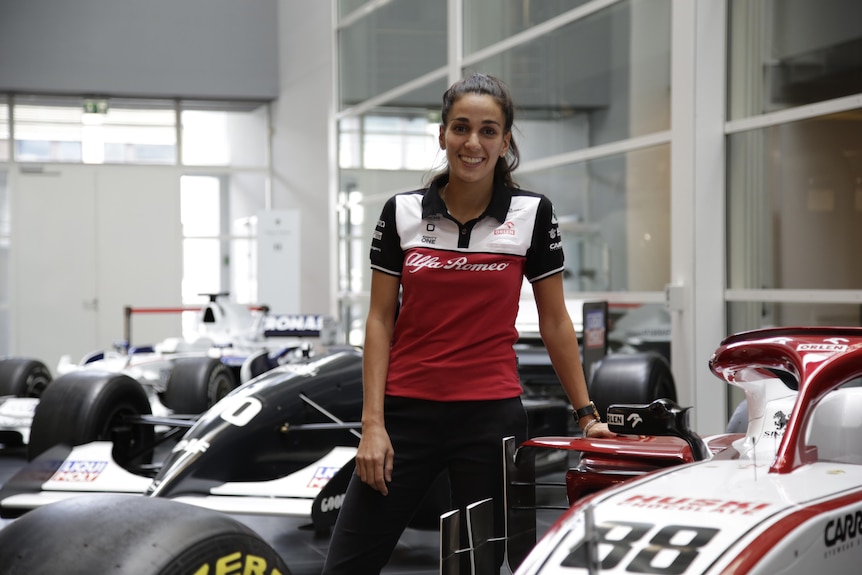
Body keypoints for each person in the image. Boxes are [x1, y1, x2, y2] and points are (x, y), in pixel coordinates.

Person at [321, 73, 612, 575]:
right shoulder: (403, 212)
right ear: (442, 135)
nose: (472, 143)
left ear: (504, 142)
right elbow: (378, 320)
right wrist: (373, 424)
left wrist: (586, 413)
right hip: (403, 418)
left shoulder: (532, 214)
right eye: (460, 128)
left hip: (489, 420)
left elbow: (556, 323)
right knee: (346, 565)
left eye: (488, 131)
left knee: (478, 569)